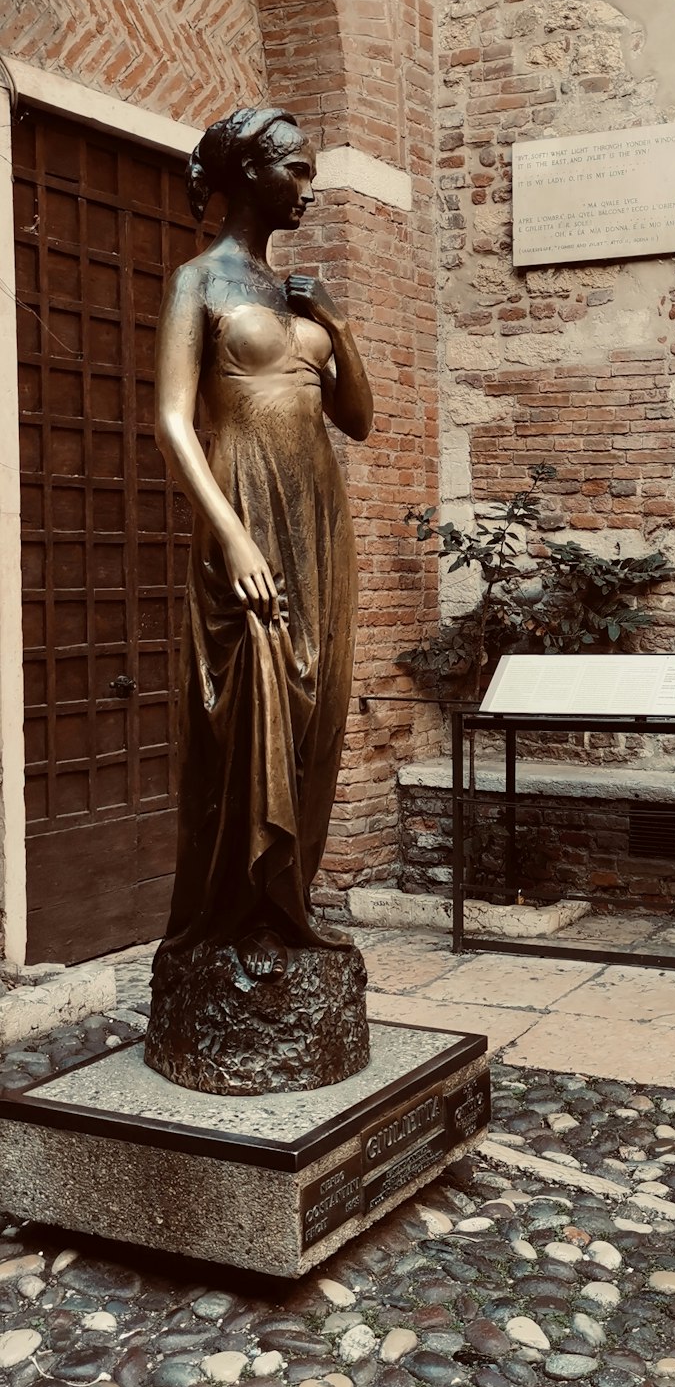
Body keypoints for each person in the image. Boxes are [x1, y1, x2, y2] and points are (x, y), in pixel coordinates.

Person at [153, 104, 373, 982]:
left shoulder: (297, 294)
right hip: (240, 508)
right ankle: (227, 923)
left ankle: (291, 909)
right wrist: (233, 538)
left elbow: (357, 420)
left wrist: (341, 329)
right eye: (296, 171)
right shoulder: (196, 282)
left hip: (316, 518)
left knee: (314, 709)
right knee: (245, 712)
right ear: (249, 173)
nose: (309, 190)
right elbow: (172, 420)